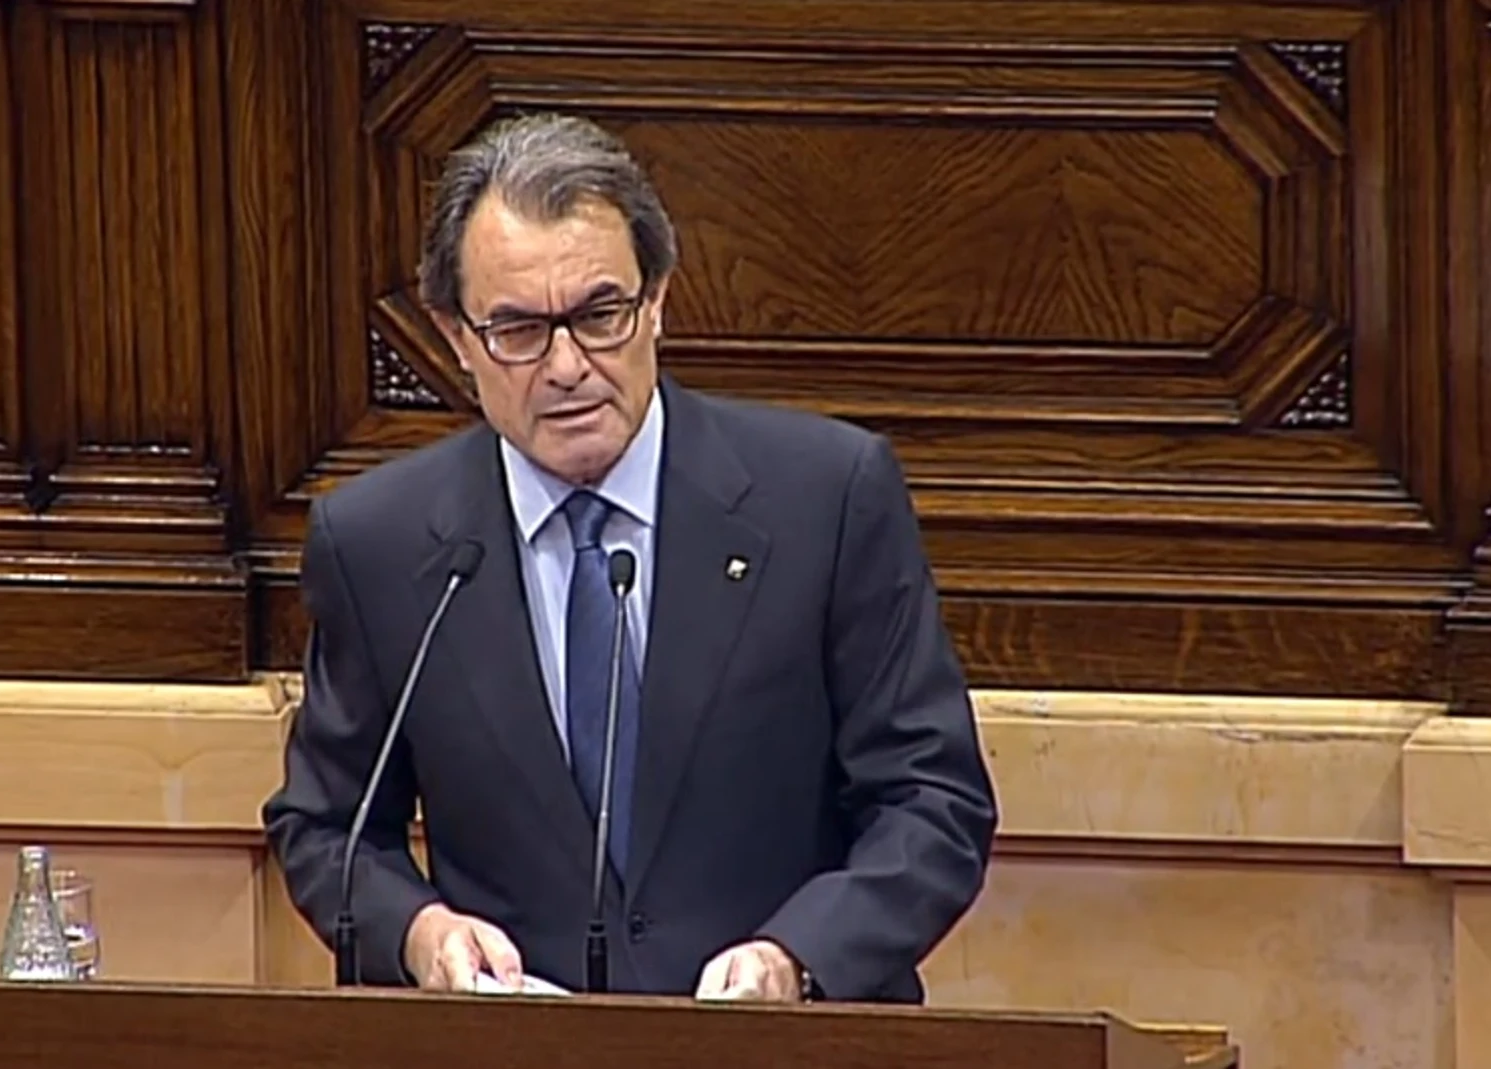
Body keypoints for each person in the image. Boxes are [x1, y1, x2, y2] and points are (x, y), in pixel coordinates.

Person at [262, 112, 998, 1004]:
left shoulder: (826, 498)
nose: (567, 365)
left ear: (657, 300)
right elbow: (326, 827)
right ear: (457, 337)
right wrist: (422, 934)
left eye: (600, 314)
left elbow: (932, 800)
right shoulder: (380, 542)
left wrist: (795, 957)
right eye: (519, 330)